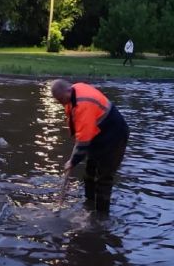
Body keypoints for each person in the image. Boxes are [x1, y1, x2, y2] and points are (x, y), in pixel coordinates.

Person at [50, 79, 129, 214]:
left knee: (104, 179)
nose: (61, 103)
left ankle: (100, 218)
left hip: (115, 138)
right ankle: (89, 206)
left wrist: (72, 161)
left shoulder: (83, 104)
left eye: (62, 99)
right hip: (97, 135)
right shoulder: (72, 95)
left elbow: (84, 140)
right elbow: (81, 131)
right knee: (89, 174)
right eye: (58, 100)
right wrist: (76, 152)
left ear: (69, 90)